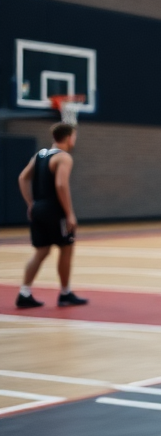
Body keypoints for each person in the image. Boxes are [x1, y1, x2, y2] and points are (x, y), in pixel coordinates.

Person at [15, 122, 88, 308]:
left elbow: (22, 178)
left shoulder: (40, 154)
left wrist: (31, 203)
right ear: (69, 137)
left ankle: (24, 293)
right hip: (55, 210)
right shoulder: (64, 158)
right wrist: (70, 213)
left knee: (42, 251)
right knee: (66, 248)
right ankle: (65, 294)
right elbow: (61, 185)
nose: (75, 140)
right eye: (74, 136)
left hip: (38, 208)